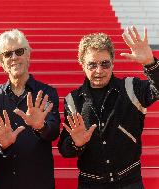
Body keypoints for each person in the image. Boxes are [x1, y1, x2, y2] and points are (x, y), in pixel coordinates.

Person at [57, 26, 159, 189]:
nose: (99, 70)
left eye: (105, 64)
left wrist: (150, 63)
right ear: (82, 64)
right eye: (92, 65)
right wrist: (76, 143)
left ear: (113, 62)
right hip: (90, 184)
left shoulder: (131, 87)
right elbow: (64, 149)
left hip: (129, 182)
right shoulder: (73, 100)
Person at [0, 29, 61, 189]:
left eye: (19, 51)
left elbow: (53, 132)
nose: (14, 57)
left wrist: (41, 126)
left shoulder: (47, 92)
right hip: (3, 181)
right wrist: (2, 144)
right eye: (7, 54)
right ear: (1, 61)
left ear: (27, 55)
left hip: (38, 181)